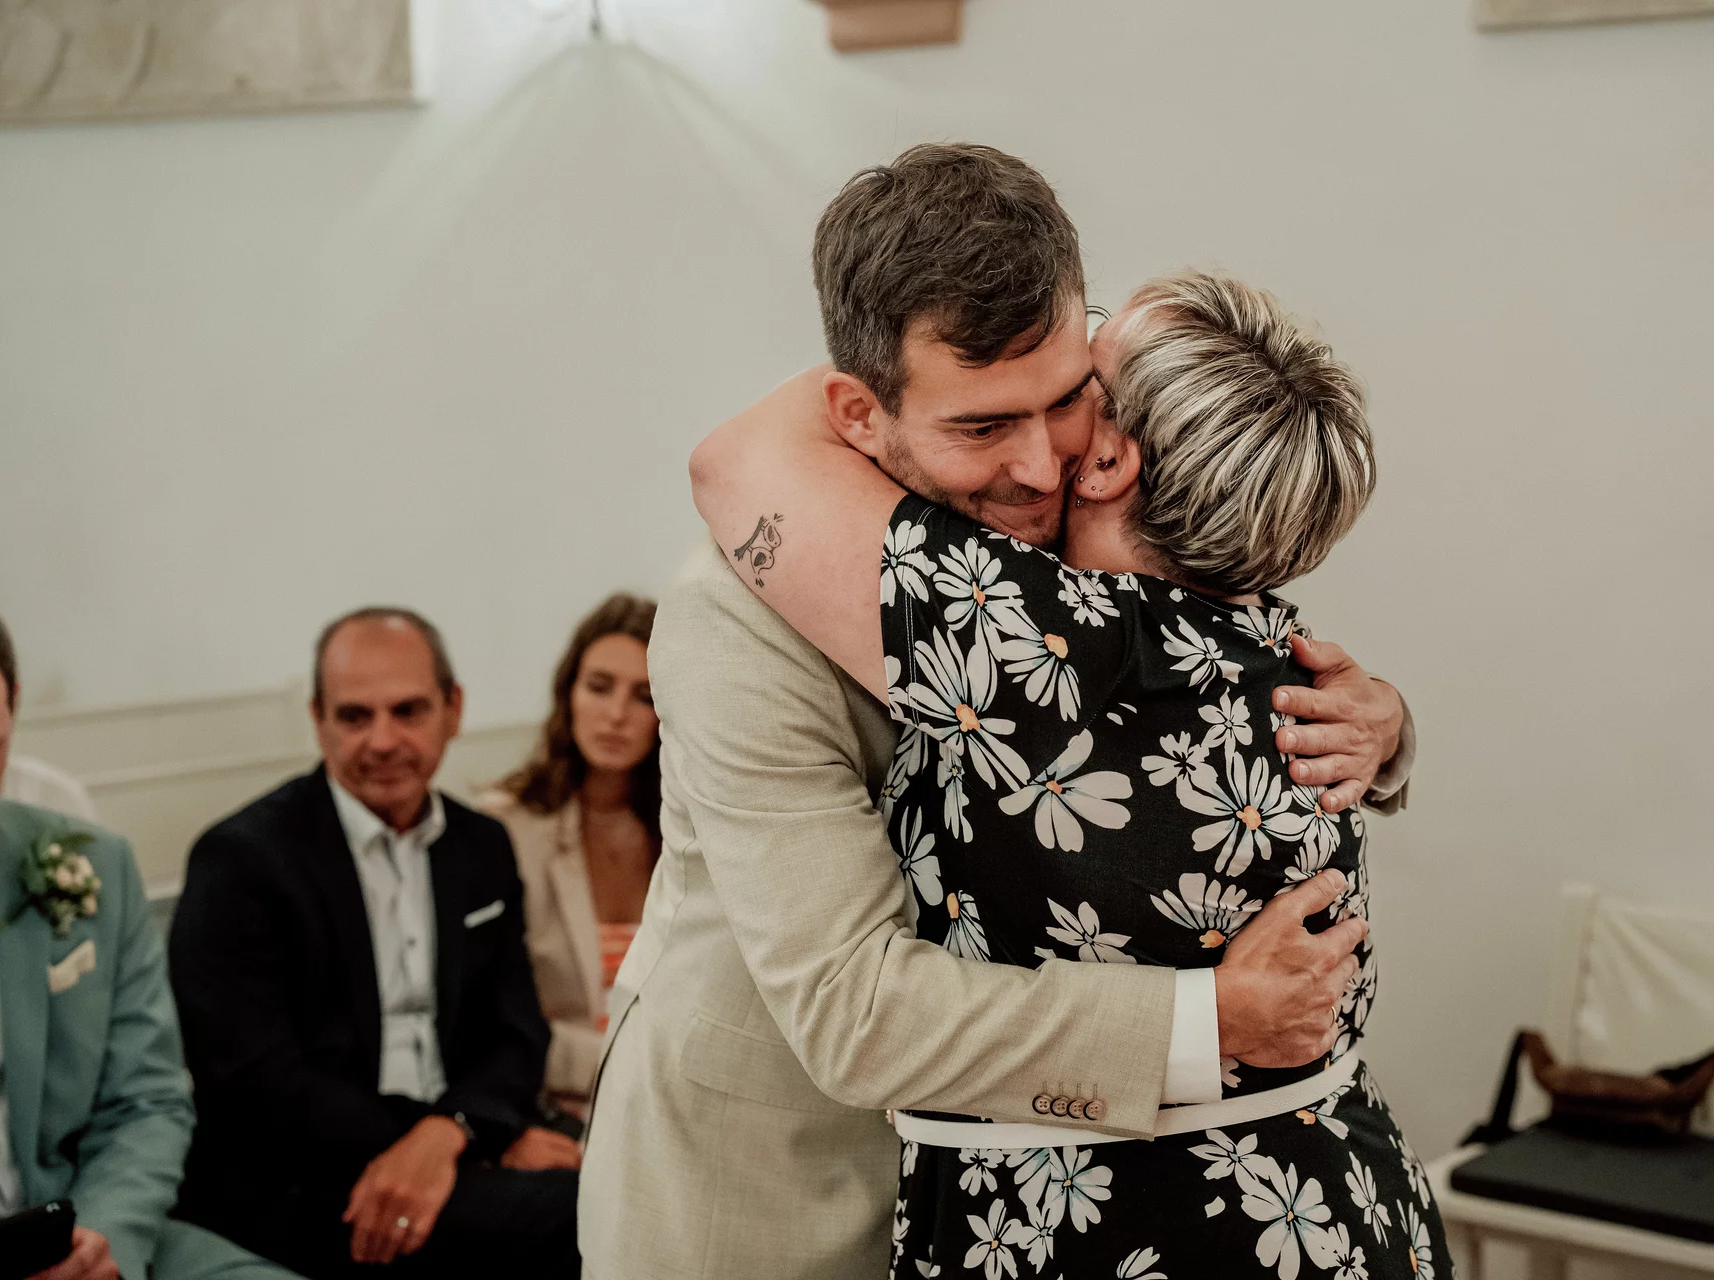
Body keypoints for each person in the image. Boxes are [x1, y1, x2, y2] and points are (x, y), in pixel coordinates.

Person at [578, 143, 1415, 1279]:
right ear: (858, 414)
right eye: (979, 428)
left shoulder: (1080, 552)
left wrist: (1381, 720)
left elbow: (1207, 661)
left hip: (1014, 1195)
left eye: (1065, 402)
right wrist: (1206, 1020)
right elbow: (854, 1007)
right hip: (775, 1183)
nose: (1041, 467)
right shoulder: (738, 620)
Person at [167, 607, 581, 1279]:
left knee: (642, 1174)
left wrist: (453, 1133)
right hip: (306, 1180)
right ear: (318, 720)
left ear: (453, 709)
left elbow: (517, 1030)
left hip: (453, 1142)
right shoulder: (242, 860)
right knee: (585, 1215)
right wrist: (457, 1147)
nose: (383, 741)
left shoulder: (481, 845)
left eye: (408, 711)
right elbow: (252, 1078)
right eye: (355, 717)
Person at [0, 579, 297, 1280]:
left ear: (13, 710)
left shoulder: (88, 862)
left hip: (91, 1237)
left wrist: (104, 1238)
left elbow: (148, 1098)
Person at [478, 593, 661, 1128]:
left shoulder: (688, 830)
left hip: (667, 1106)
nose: (616, 715)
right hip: (547, 1108)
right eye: (599, 687)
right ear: (568, 694)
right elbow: (491, 1019)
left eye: (644, 696)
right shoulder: (505, 828)